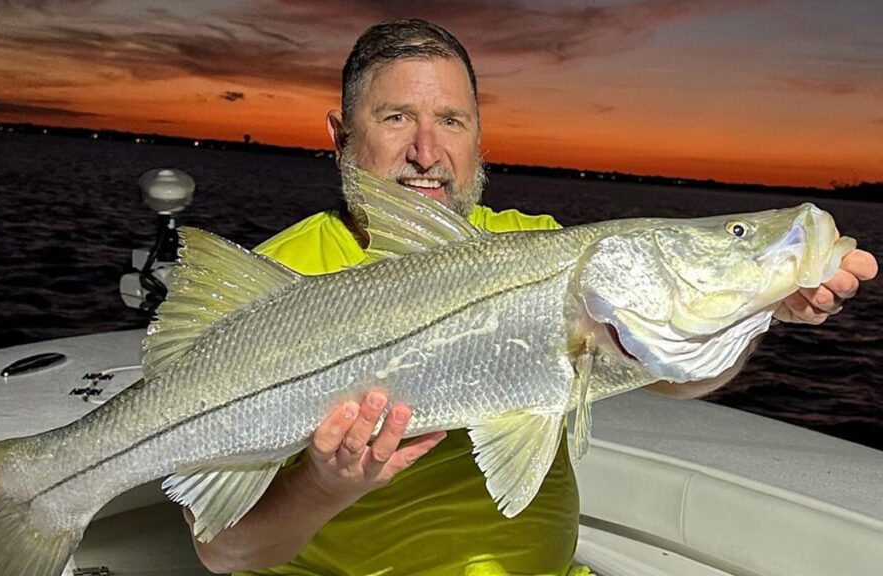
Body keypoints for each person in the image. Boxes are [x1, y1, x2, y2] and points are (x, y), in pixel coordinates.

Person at [184, 19, 879, 576]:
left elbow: (675, 377)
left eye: (452, 122)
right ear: (340, 136)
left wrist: (758, 308)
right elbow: (225, 553)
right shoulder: (269, 285)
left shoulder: (535, 244)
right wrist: (327, 486)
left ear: (479, 137)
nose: (427, 150)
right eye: (397, 118)